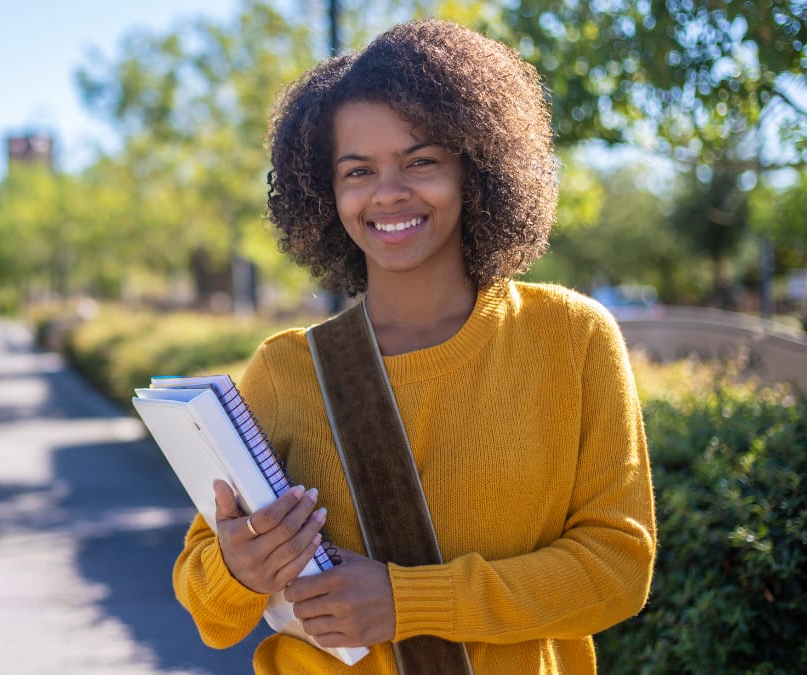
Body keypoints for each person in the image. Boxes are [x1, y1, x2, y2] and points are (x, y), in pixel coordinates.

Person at [172, 19, 657, 674]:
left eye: (420, 161)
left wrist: (408, 601)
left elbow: (618, 569)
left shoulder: (572, 337)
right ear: (325, 192)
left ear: (475, 165)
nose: (388, 192)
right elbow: (207, 608)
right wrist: (238, 565)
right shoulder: (288, 370)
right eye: (357, 170)